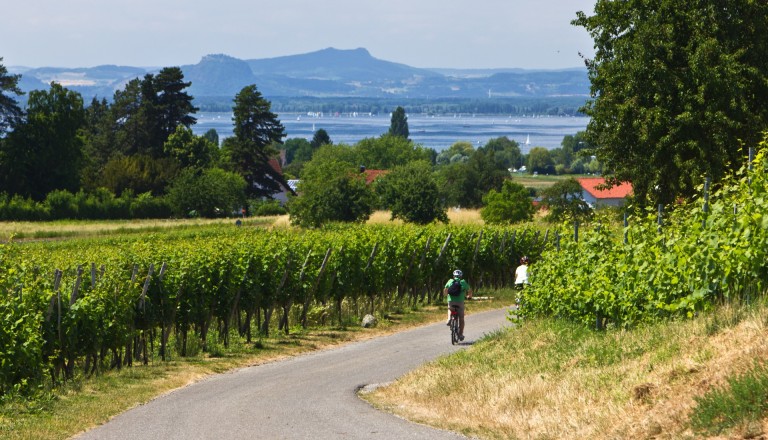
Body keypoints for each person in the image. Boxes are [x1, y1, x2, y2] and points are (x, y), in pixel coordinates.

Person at [444, 269, 472, 341]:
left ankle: (449, 318)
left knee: (450, 308)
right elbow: (469, 290)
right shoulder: (463, 282)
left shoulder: (450, 281)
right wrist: (469, 296)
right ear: (461, 276)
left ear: (454, 276)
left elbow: (445, 290)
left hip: (451, 301)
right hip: (460, 302)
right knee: (461, 319)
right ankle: (460, 334)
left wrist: (446, 295)